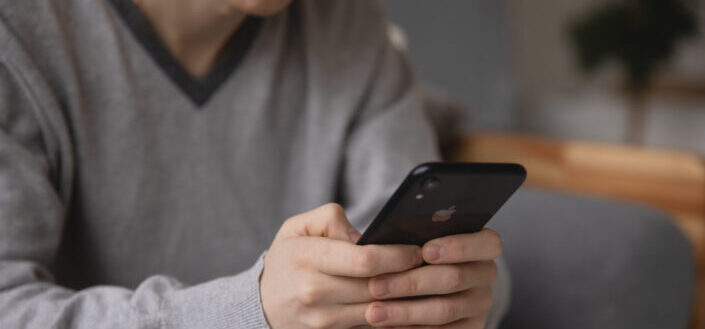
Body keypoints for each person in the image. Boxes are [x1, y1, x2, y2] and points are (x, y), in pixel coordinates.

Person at [0, 0, 509, 328]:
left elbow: (422, 242)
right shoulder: (19, 37)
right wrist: (251, 310)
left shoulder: (351, 25)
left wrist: (459, 296)